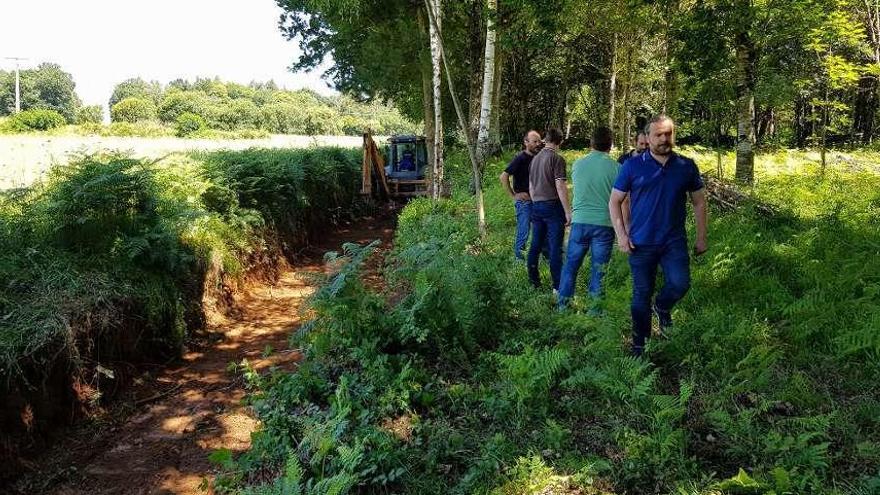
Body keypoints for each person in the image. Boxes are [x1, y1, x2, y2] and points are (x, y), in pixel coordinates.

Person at [609, 115, 708, 357]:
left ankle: (662, 306)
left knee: (680, 284)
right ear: (647, 138)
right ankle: (639, 344)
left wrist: (701, 237)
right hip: (641, 243)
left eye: (668, 134)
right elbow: (615, 201)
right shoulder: (632, 166)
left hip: (674, 242)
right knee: (641, 294)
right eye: (658, 135)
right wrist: (621, 235)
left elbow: (699, 202)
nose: (664, 139)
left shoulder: (686, 166)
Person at [557, 127, 620, 314]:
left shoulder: (577, 164)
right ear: (610, 145)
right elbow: (622, 200)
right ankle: (595, 312)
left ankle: (563, 307)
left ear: (591, 143)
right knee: (599, 271)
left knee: (570, 266)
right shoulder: (617, 168)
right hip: (604, 224)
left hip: (580, 222)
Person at [527, 128, 571, 292]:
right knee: (555, 247)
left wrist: (536, 201)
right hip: (552, 206)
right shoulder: (557, 159)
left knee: (535, 245)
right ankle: (557, 286)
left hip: (536, 205)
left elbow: (531, 187)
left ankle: (534, 281)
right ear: (560, 142)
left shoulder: (535, 160)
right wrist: (567, 211)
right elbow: (560, 185)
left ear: (546, 139)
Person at [500, 130, 543, 260]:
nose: (537, 144)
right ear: (526, 142)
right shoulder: (520, 158)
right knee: (524, 232)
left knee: (542, 231)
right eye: (534, 141)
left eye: (539, 141)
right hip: (525, 203)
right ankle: (519, 260)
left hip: (538, 201)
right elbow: (503, 176)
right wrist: (513, 196)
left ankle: (543, 258)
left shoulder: (538, 156)